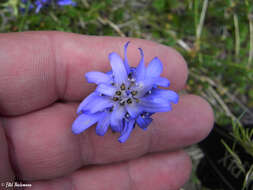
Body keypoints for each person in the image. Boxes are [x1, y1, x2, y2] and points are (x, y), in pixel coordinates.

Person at [0, 31, 214, 190]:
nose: (126, 96)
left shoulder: (142, 99)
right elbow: (98, 83)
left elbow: (162, 101)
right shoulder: (107, 87)